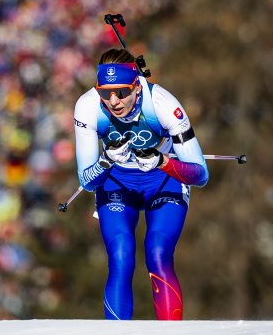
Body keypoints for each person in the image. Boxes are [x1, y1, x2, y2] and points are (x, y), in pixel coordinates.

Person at [73, 48, 208, 320]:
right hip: (117, 183)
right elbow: (87, 181)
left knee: (158, 252)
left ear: (137, 86)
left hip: (164, 181)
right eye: (105, 93)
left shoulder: (163, 104)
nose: (113, 101)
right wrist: (106, 161)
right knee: (121, 255)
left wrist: (163, 162)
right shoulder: (87, 106)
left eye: (122, 92)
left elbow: (200, 174)